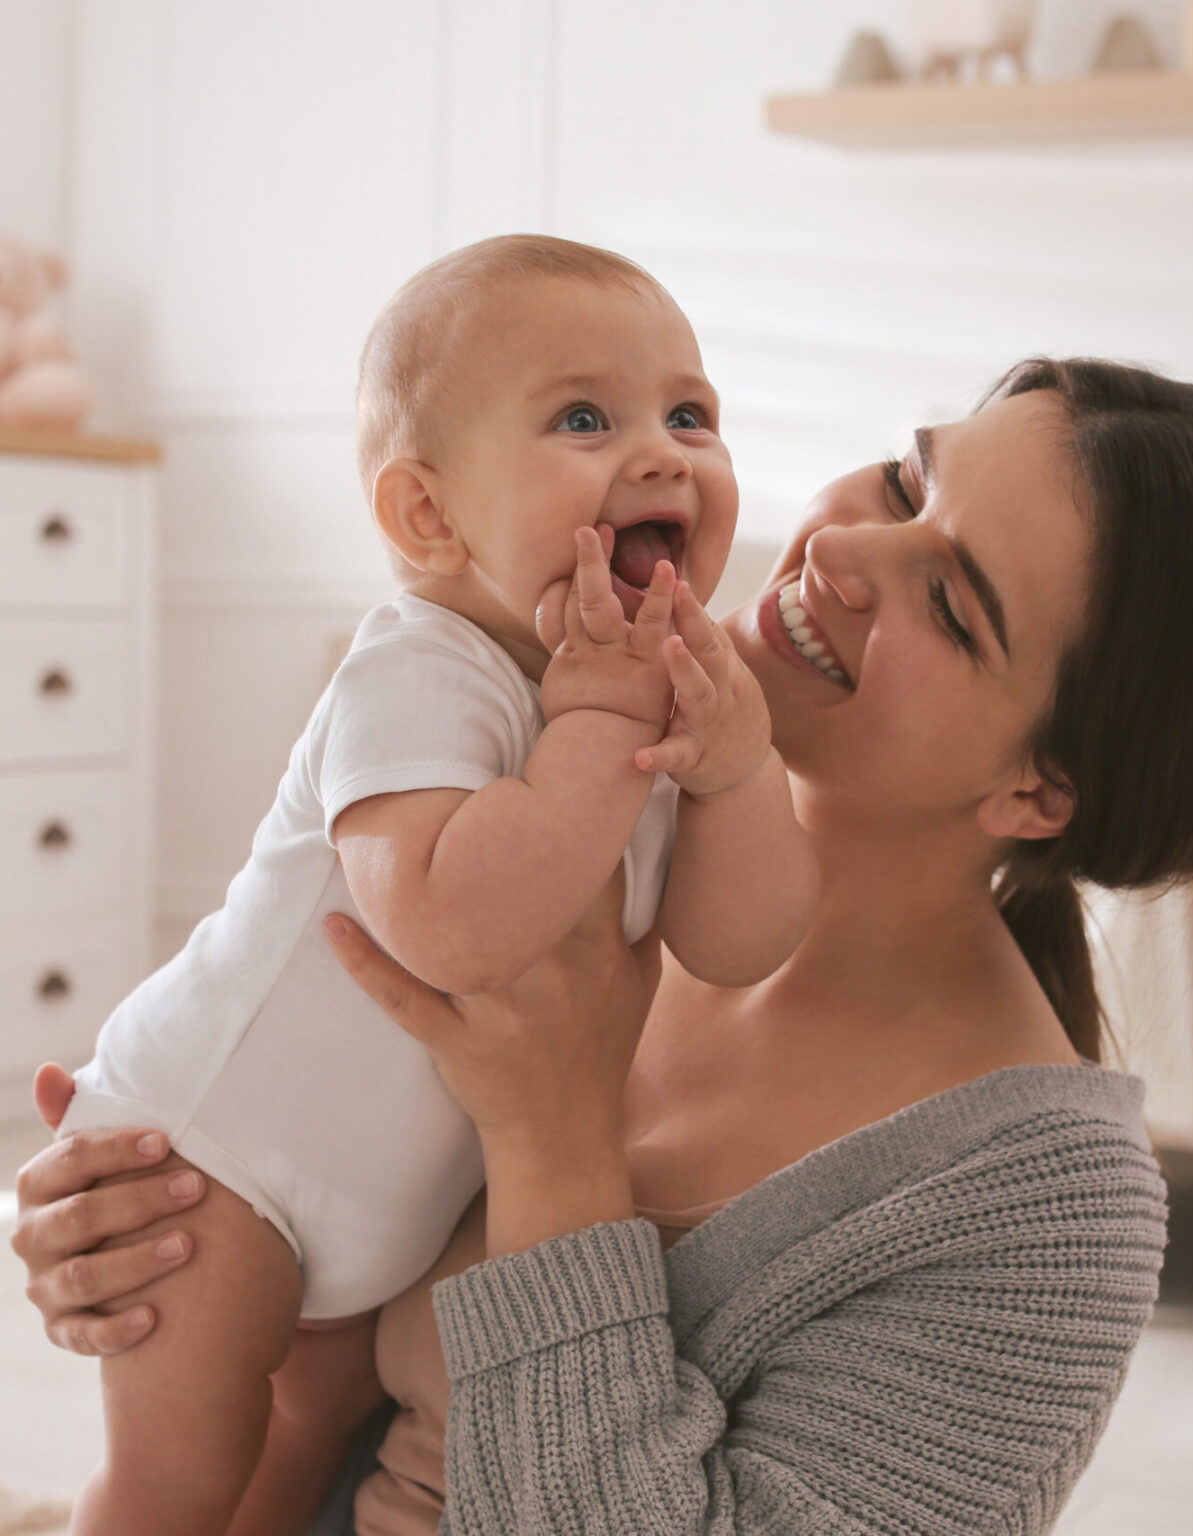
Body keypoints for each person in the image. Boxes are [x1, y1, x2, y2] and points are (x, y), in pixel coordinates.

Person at [13, 358, 1193, 1536]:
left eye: (951, 604)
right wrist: (154, 1226)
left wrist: (552, 1146)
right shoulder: (566, 816)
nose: (842, 552)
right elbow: (312, 1291)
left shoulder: (1040, 1221)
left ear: (1036, 794)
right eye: (903, 481)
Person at [36, 235, 819, 1536]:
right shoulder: (420, 669)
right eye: (585, 416)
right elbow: (449, 927)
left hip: (368, 1218)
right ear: (427, 517)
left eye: (691, 413)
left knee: (296, 1455)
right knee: (179, 1482)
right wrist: (593, 730)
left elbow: (740, 943)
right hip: (213, 1160)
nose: (664, 449)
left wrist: (734, 774)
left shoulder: (644, 685)